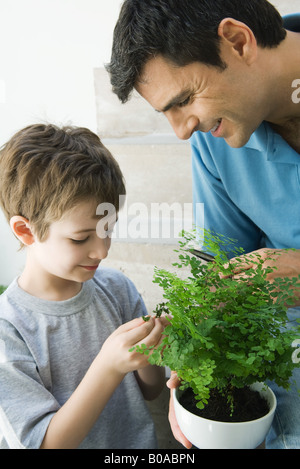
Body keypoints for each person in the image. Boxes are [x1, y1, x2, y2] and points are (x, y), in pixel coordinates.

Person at [107, 0, 300, 449]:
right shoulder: (216, 140)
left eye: (185, 100)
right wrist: (194, 369)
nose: (181, 130)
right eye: (166, 113)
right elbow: (223, 272)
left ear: (237, 42)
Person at [0, 123, 167, 449]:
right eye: (81, 238)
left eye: (108, 229)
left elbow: (152, 389)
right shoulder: (9, 330)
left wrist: (151, 350)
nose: (102, 251)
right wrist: (108, 366)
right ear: (25, 231)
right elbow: (45, 444)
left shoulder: (117, 288)